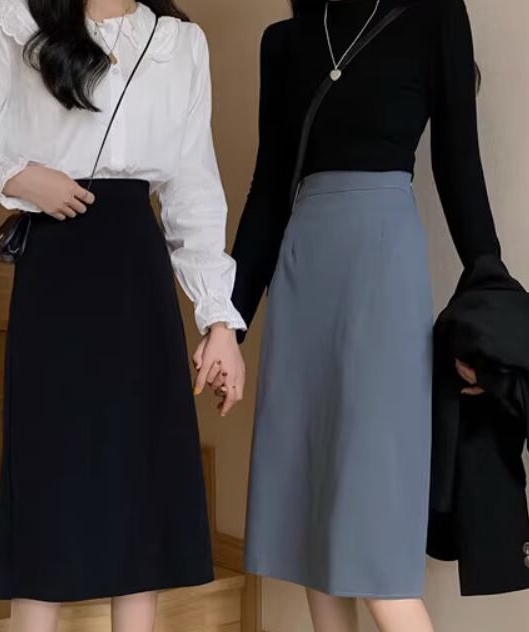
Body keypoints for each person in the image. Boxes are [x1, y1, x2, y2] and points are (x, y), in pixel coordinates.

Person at [0, 1, 246, 631]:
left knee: (140, 485)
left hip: (138, 270)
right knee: (48, 476)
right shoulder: (15, 21)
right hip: (56, 267)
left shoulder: (178, 42)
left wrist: (219, 321)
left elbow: (194, 187)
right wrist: (18, 176)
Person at [230, 0, 500, 631]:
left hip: (382, 273)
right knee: (312, 529)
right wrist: (228, 322)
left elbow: (459, 163)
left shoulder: (434, 15)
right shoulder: (284, 41)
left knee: (375, 538)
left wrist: (490, 298)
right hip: (304, 272)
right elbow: (269, 189)